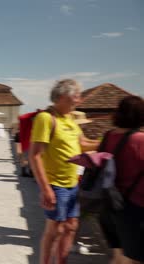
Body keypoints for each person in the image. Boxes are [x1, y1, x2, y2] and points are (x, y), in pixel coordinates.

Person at [29, 79, 99, 264]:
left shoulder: (70, 118)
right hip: (55, 184)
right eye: (75, 96)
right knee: (55, 230)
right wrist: (46, 189)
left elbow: (82, 144)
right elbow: (35, 155)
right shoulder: (46, 118)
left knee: (71, 227)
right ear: (61, 97)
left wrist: (109, 141)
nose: (79, 100)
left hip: (72, 182)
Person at [98, 96, 144, 264]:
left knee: (118, 257)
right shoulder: (140, 140)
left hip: (108, 206)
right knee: (132, 260)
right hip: (133, 210)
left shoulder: (108, 136)